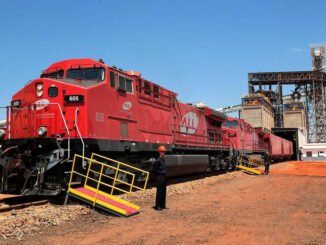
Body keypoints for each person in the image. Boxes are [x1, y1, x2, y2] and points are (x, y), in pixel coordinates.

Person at [153, 145, 167, 211]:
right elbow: (155, 169)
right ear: (159, 152)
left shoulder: (163, 159)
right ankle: (157, 206)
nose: (163, 153)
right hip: (159, 176)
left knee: (164, 190)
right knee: (159, 191)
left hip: (164, 176)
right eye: (162, 152)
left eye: (164, 152)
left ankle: (163, 205)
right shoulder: (157, 160)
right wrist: (157, 176)